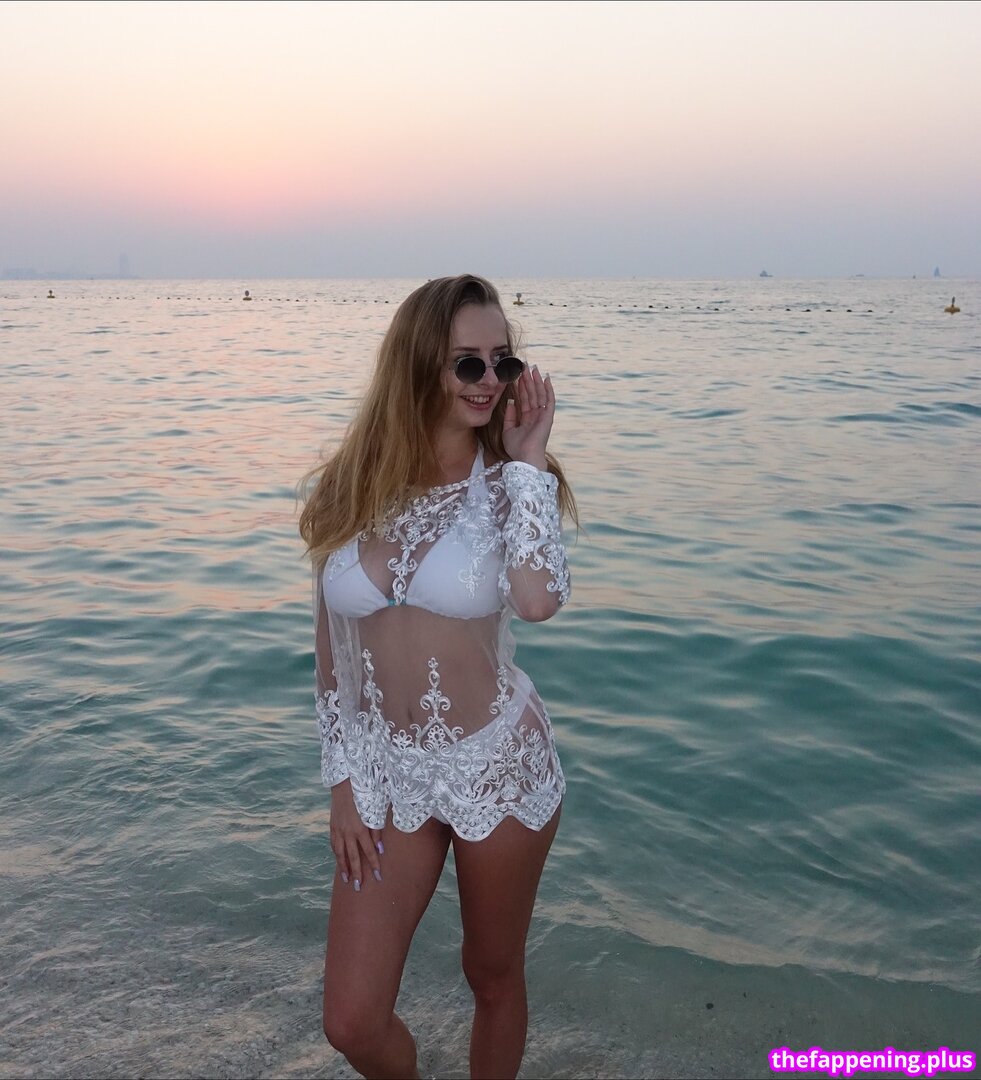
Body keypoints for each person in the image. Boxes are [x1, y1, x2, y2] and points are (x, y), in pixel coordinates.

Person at [298, 273, 576, 1079]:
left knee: (490, 974)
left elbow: (537, 602)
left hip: (496, 764)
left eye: (503, 362)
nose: (490, 380)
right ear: (418, 364)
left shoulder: (512, 487)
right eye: (468, 363)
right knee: (352, 1021)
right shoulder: (349, 486)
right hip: (388, 775)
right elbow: (330, 654)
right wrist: (343, 784)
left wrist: (527, 462)